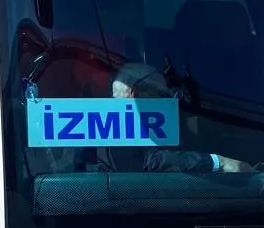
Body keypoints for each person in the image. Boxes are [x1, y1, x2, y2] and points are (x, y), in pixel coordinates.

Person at [98, 62, 250, 173]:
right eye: (161, 94)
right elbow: (153, 162)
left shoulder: (133, 127)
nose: (167, 101)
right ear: (135, 94)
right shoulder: (115, 126)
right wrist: (218, 162)